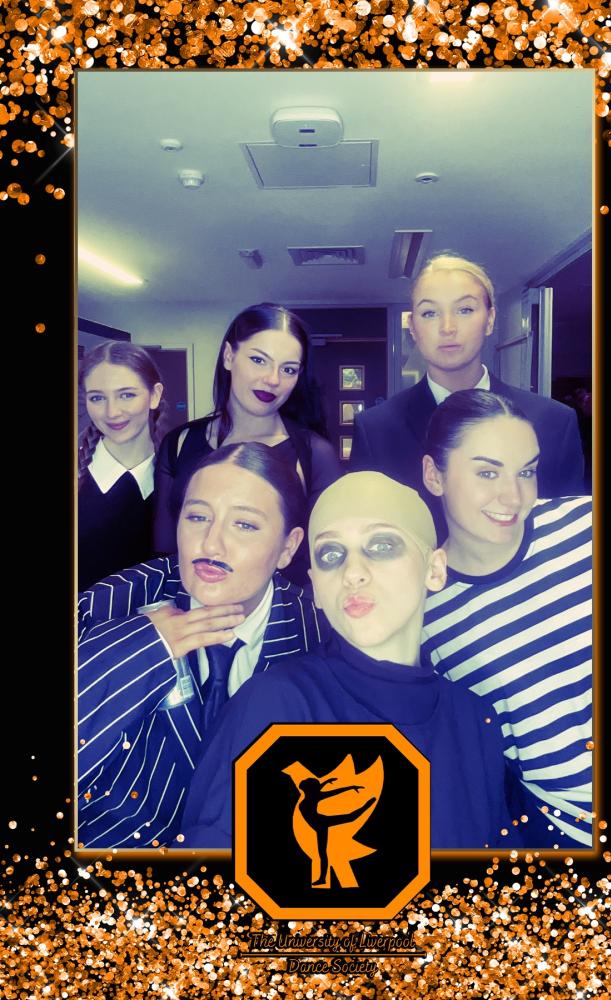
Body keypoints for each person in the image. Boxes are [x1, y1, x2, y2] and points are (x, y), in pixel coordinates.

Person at [178, 472, 526, 851]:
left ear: (435, 569)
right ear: (317, 588)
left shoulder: (475, 720)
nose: (353, 573)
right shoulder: (276, 705)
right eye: (331, 555)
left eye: (381, 546)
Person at [77, 443, 325, 850]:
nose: (211, 545)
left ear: (288, 547)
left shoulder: (317, 634)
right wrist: (139, 650)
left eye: (244, 525)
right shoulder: (109, 605)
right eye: (197, 517)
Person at [421, 389, 592, 849]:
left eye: (526, 472)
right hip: (563, 834)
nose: (513, 496)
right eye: (487, 472)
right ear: (434, 475)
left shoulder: (585, 527)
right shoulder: (424, 612)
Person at [349, 252, 585, 539]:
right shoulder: (376, 429)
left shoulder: (553, 422)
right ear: (412, 328)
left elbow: (569, 534)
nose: (447, 327)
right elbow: (362, 534)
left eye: (464, 310)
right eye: (430, 313)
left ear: (490, 319)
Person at [153, 303, 340, 584]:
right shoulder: (179, 443)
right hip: (191, 604)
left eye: (288, 369)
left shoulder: (315, 455)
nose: (273, 379)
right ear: (229, 356)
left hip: (285, 607)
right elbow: (164, 553)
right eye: (258, 360)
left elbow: (329, 557)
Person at [78, 341, 166, 591]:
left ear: (154, 395)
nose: (112, 412)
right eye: (97, 398)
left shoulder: (180, 476)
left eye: (127, 395)